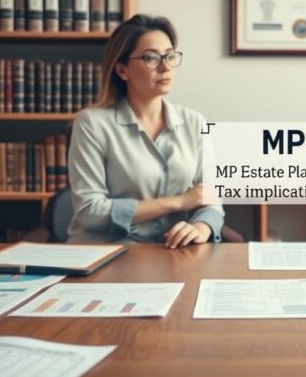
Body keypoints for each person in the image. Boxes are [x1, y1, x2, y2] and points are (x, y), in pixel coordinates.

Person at [67, 14, 224, 248]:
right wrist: (179, 202)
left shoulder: (194, 122)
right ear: (122, 70)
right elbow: (90, 211)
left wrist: (201, 228)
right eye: (151, 58)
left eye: (170, 56)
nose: (165, 67)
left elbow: (210, 199)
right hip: (106, 252)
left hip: (173, 253)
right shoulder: (91, 123)